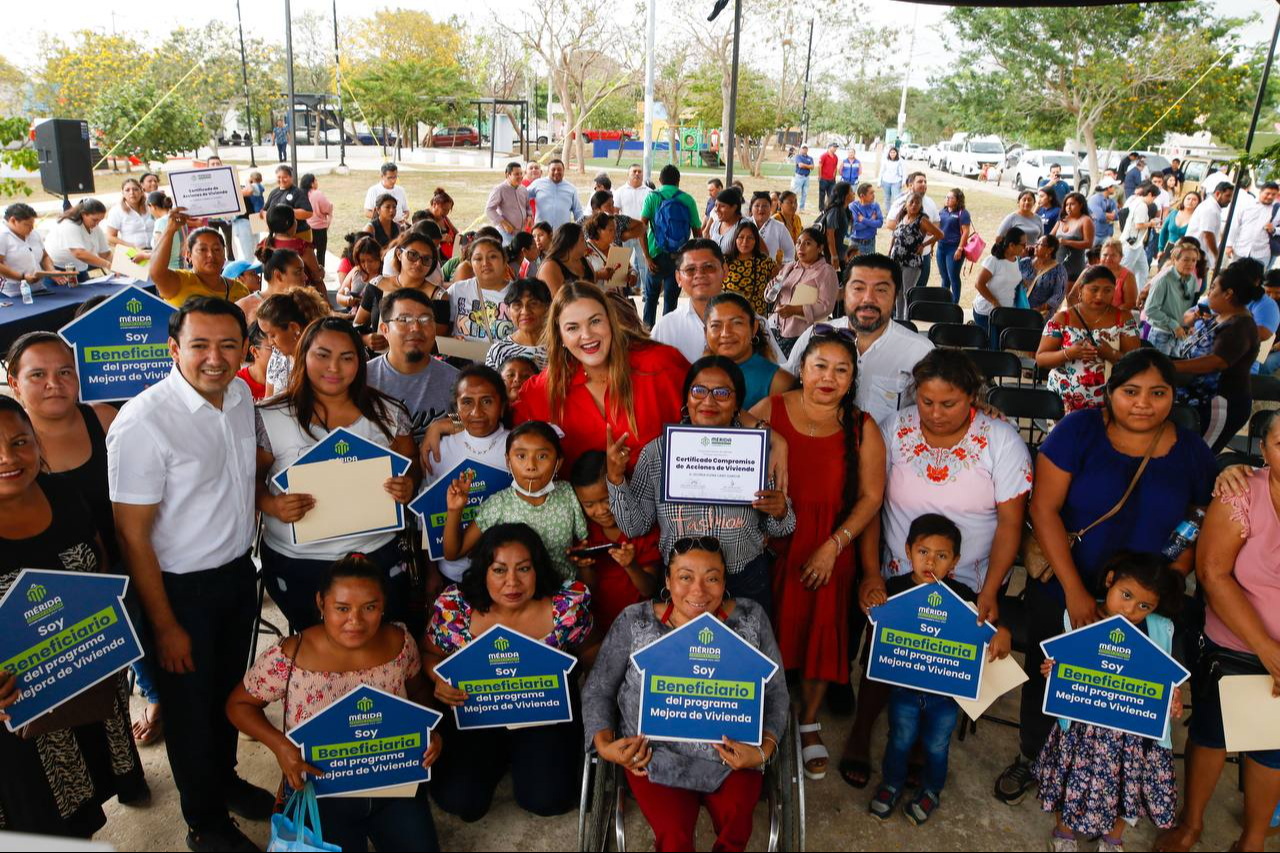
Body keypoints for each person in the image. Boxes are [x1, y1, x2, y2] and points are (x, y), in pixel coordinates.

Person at [995, 349, 1214, 807]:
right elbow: (1044, 509)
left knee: (1122, 687)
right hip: (1066, 582)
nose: (1143, 403)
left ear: (1173, 397)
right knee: (1049, 676)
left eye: (1158, 393)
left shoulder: (1192, 451)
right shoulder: (1079, 431)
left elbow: (1197, 519)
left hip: (1144, 601)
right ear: (1110, 393)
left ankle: (1106, 779)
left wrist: (1162, 588)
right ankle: (1033, 756)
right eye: (1131, 391)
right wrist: (1076, 594)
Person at [107, 298, 275, 850]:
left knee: (229, 695)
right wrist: (165, 624)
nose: (215, 358)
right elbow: (132, 535)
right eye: (199, 345)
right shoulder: (145, 421)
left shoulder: (242, 395)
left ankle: (222, 782)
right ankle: (203, 822)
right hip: (178, 593)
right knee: (188, 714)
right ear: (174, 350)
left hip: (235, 578)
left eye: (228, 345)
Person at [4, 331, 166, 747]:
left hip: (126, 557)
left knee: (143, 642)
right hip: (51, 594)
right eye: (37, 374)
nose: (53, 383)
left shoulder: (105, 418)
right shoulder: (11, 449)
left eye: (64, 371)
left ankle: (154, 697)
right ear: (14, 380)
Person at [0, 397, 149, 838]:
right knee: (38, 822)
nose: (8, 458)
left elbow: (99, 564)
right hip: (16, 719)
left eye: (19, 442)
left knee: (82, 810)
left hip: (84, 686)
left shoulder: (63, 494)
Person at [582, 538, 788, 853]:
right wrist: (605, 746)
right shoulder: (635, 621)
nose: (699, 591)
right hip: (654, 757)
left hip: (734, 755)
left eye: (712, 578)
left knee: (736, 828)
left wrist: (762, 751)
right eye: (686, 577)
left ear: (724, 581)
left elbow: (775, 693)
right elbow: (598, 688)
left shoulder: (750, 618)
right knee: (674, 837)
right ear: (667, 581)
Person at [227, 554, 443, 852]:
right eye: (342, 608)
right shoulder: (291, 656)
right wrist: (280, 747)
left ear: (383, 605)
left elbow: (419, 693)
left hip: (392, 783)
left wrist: (428, 731)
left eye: (370, 607)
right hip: (320, 792)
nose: (355, 620)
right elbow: (238, 705)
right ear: (321, 603)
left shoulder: (399, 642)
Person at [750, 329, 887, 780]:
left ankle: (808, 722)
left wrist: (834, 545)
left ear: (852, 378)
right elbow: (722, 423)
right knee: (765, 636)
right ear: (802, 369)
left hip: (831, 547)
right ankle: (761, 723)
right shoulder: (771, 410)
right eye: (819, 366)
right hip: (773, 545)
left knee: (819, 636)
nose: (828, 377)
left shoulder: (862, 426)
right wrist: (779, 440)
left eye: (841, 369)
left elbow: (870, 498)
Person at [1156, 412, 1280, 853]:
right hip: (1236, 646)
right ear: (1263, 450)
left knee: (1272, 749)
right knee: (1211, 735)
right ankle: (1191, 825)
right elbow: (1211, 573)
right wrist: (1268, 650)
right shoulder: (1242, 490)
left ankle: (1252, 840)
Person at [255, 317, 418, 632]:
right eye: (323, 355)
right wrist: (271, 505)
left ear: (360, 361)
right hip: (299, 561)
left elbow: (410, 459)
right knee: (314, 653)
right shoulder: (270, 416)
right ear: (303, 356)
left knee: (376, 646)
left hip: (375, 555)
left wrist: (409, 482)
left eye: (347, 357)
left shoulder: (388, 412)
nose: (334, 367)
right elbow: (247, 480)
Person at [425, 523, 590, 821]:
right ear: (483, 571)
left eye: (523, 569)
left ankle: (524, 759)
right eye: (499, 570)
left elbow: (592, 649)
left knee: (547, 800)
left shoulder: (564, 608)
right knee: (460, 801)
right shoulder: (457, 608)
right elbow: (428, 653)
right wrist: (437, 678)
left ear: (537, 569)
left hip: (543, 715)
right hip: (476, 714)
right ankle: (499, 758)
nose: (512, 582)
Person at [606, 355, 794, 609]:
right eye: (698, 391)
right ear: (686, 399)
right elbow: (634, 526)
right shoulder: (658, 453)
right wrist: (616, 478)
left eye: (722, 393)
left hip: (743, 581)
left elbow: (781, 528)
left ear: (738, 402)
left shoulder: (756, 450)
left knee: (741, 649)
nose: (708, 401)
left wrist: (780, 511)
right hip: (680, 584)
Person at [1033, 554, 1185, 851]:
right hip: (1082, 730)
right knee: (1072, 781)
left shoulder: (1159, 630)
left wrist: (1173, 699)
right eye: (1125, 596)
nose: (1131, 610)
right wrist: (1052, 670)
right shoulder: (1080, 617)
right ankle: (1064, 833)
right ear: (1110, 580)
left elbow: (1165, 679)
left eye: (1144, 606)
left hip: (1132, 736)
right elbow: (1063, 664)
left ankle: (1113, 839)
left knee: (1126, 788)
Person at [866, 514, 1010, 825]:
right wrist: (873, 602)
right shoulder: (893, 589)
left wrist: (1002, 631)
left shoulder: (964, 597)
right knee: (900, 738)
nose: (931, 561)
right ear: (908, 551)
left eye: (941, 555)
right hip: (903, 689)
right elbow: (875, 618)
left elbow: (989, 625)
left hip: (946, 695)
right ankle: (891, 784)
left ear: (955, 561)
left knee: (936, 745)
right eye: (923, 552)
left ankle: (931, 791)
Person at [508, 282, 688, 472]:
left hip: (660, 499)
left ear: (610, 321)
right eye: (572, 328)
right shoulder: (540, 392)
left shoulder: (659, 365)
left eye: (595, 321)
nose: (587, 335)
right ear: (559, 335)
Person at [784, 253, 935, 426]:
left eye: (881, 290)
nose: (868, 299)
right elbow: (786, 382)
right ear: (842, 292)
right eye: (858, 288)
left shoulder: (919, 352)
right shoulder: (815, 335)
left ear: (896, 297)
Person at [442, 420, 587, 580]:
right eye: (521, 456)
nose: (531, 465)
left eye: (542, 456)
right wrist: (455, 510)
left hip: (562, 596)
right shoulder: (499, 504)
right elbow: (453, 553)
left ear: (558, 463)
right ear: (508, 461)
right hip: (515, 597)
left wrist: (581, 557)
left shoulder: (567, 493)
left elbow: (584, 544)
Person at [423, 365, 511, 586]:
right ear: (456, 408)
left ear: (502, 406)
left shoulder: (518, 447)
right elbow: (427, 514)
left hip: (507, 574)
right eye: (467, 402)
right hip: (453, 573)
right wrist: (431, 572)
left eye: (487, 401)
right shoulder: (439, 449)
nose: (477, 412)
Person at [567, 450, 661, 632]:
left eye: (606, 499)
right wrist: (584, 566)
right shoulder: (585, 532)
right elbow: (589, 588)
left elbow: (648, 589)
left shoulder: (642, 529)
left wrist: (631, 565)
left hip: (640, 626)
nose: (601, 510)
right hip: (600, 625)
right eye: (589, 505)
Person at [1171, 264, 1262, 453]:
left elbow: (1217, 361)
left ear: (1228, 294)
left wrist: (1172, 366)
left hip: (1221, 405)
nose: (1209, 292)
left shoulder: (1240, 326)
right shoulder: (1221, 316)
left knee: (1199, 455)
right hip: (1198, 400)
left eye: (1213, 288)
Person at [1038, 265, 1141, 413]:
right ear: (1080, 290)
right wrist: (1069, 353)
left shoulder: (1124, 319)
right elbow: (1041, 359)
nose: (1100, 296)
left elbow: (1136, 364)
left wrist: (1110, 354)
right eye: (1094, 289)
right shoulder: (1062, 319)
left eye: (1107, 290)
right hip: (1064, 403)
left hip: (1109, 405)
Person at [367, 288, 459, 443]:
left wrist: (446, 425)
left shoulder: (456, 382)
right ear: (385, 330)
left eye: (425, 320)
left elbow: (464, 421)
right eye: (404, 320)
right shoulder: (363, 379)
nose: (416, 328)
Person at [356, 233, 449, 348]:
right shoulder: (377, 285)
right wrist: (365, 339)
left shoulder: (438, 297)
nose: (418, 263)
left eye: (426, 259)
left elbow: (437, 341)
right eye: (412, 255)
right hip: (378, 358)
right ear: (399, 254)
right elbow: (357, 324)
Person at [149, 211, 251, 307]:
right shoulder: (179, 283)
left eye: (216, 249)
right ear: (188, 255)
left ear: (224, 254)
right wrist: (170, 229)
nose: (210, 255)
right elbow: (157, 273)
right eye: (202, 249)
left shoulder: (240, 290)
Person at [770, 228, 840, 356]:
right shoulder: (790, 267)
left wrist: (794, 310)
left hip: (802, 335)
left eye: (807, 243)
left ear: (819, 248)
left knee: (793, 374)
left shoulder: (826, 272)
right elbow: (771, 290)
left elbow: (826, 306)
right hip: (775, 329)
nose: (801, 247)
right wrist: (772, 290)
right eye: (798, 242)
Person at [256, 287, 331, 397]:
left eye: (272, 335)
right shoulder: (277, 357)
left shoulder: (320, 361)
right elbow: (268, 399)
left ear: (294, 328)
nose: (270, 342)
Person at [1142, 241, 1202, 355]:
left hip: (1180, 335)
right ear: (1174, 260)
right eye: (1186, 259)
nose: (1190, 264)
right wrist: (1173, 324)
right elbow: (1150, 309)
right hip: (1161, 334)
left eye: (1194, 260)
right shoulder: (1164, 280)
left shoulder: (1193, 280)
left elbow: (1191, 307)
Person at [0, 202, 72, 296]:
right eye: (27, 225)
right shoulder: (3, 236)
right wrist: (22, 277)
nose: (31, 228)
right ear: (13, 221)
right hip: (12, 292)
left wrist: (51, 271)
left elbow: (45, 256)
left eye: (32, 224)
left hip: (38, 287)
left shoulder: (34, 234)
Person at [888, 192, 944, 315]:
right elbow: (894, 236)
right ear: (906, 204)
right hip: (897, 260)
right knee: (898, 292)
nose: (914, 205)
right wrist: (889, 252)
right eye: (911, 202)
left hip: (912, 261)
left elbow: (940, 234)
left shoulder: (922, 220)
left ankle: (907, 322)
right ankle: (899, 320)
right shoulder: (902, 217)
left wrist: (924, 245)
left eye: (917, 203)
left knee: (907, 293)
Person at [973, 227, 1029, 347]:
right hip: (987, 313)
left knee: (999, 347)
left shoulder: (1017, 260)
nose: (1026, 247)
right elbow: (979, 284)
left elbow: (1009, 277)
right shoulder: (993, 261)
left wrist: (1020, 282)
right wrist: (994, 302)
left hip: (1004, 314)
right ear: (1011, 245)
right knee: (990, 348)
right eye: (1023, 244)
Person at [485, 277, 552, 371]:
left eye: (533, 304)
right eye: (517, 305)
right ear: (508, 311)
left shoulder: (560, 347)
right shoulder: (499, 351)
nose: (525, 311)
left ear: (547, 307)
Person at [46, 198, 110, 281]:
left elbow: (106, 254)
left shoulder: (95, 228)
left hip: (80, 269)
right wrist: (107, 264)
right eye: (95, 220)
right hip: (58, 271)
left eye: (100, 220)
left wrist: (122, 266)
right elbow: (79, 253)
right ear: (83, 214)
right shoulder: (68, 225)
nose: (97, 223)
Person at [723, 220, 777, 317]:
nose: (745, 242)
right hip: (728, 315)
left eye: (750, 238)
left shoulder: (765, 262)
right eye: (741, 237)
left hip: (756, 318)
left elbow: (778, 283)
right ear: (735, 239)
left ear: (756, 240)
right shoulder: (724, 261)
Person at [1227, 180, 1280, 265]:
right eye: (1267, 193)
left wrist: (1274, 230)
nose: (1270, 196)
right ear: (1260, 192)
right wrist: (1229, 245)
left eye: (1273, 194)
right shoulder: (1247, 204)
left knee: (1256, 278)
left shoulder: (1277, 210)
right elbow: (1235, 225)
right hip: (1240, 250)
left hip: (1261, 254)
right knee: (1236, 276)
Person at [1119, 181, 1157, 295]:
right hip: (1132, 244)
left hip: (1137, 243)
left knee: (1143, 269)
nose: (1153, 201)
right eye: (1154, 198)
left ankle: (1138, 295)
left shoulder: (1134, 200)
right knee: (1123, 270)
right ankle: (1116, 294)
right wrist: (1150, 224)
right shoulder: (1142, 206)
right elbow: (1138, 225)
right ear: (1150, 194)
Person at [537, 222, 595, 296]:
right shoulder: (550, 267)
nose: (585, 244)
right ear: (571, 243)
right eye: (582, 239)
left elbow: (594, 289)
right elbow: (558, 302)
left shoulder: (584, 261)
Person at [936, 189, 972, 303]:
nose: (947, 199)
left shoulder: (963, 213)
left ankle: (954, 303)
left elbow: (966, 232)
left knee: (953, 277)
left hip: (954, 249)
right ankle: (944, 301)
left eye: (951, 198)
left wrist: (960, 249)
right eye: (946, 197)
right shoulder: (942, 211)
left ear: (958, 200)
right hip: (941, 247)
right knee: (944, 277)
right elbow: (937, 229)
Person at [1188, 182, 1234, 271]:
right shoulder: (1210, 209)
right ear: (1217, 194)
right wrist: (1216, 255)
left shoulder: (1212, 207)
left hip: (1199, 255)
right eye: (1227, 196)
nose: (1229, 200)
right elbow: (1208, 234)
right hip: (1198, 255)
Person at [1020, 234, 1068, 318]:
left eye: (1040, 244)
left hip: (1040, 316)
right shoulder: (1024, 262)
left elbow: (1059, 295)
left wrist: (1039, 309)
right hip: (1017, 309)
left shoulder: (1059, 270)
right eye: (1036, 243)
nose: (1035, 246)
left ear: (1050, 249)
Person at [262, 165, 313, 243]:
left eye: (284, 177)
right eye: (279, 177)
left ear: (291, 177)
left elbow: (309, 212)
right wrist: (269, 222)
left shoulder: (297, 192)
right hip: (279, 236)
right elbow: (265, 210)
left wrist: (285, 212)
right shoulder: (274, 192)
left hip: (299, 233)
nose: (281, 180)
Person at [104, 178, 153, 258]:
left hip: (154, 252)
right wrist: (130, 246)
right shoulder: (116, 211)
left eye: (135, 189)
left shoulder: (151, 207)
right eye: (127, 190)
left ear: (141, 191)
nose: (132, 193)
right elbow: (110, 237)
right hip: (132, 253)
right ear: (122, 193)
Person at [527, 159, 582, 230]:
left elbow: (578, 212)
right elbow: (522, 197)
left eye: (559, 170)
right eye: (553, 169)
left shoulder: (571, 189)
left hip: (562, 233)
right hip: (541, 233)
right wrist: (529, 214)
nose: (556, 172)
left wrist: (582, 229)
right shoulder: (538, 184)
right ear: (548, 171)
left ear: (563, 171)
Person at [486, 161, 532, 246]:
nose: (520, 177)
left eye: (521, 174)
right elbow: (489, 209)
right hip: (506, 233)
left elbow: (527, 206)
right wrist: (504, 223)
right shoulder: (500, 189)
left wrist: (529, 216)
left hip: (521, 232)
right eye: (516, 174)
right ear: (508, 175)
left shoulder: (523, 189)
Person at [1053, 192, 1094, 282]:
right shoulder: (1062, 219)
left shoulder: (1085, 220)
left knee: (1068, 295)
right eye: (1066, 204)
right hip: (1056, 265)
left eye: (1072, 204)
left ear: (1081, 205)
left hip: (1074, 268)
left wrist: (1067, 242)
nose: (1068, 207)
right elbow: (1050, 237)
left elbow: (1089, 243)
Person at [817, 181, 855, 278]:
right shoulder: (835, 210)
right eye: (851, 191)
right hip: (832, 256)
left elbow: (846, 234)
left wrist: (845, 253)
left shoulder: (847, 211)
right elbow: (830, 234)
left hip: (841, 255)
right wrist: (834, 256)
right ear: (844, 195)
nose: (854, 193)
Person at [337, 234, 383, 312]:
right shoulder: (356, 271)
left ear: (379, 258)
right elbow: (339, 295)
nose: (366, 265)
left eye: (370, 261)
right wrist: (348, 300)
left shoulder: (384, 275)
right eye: (362, 261)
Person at [300, 173, 332, 269]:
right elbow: (327, 208)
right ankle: (319, 272)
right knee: (320, 252)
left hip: (305, 228)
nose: (317, 182)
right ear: (312, 183)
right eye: (316, 180)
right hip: (319, 228)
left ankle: (307, 270)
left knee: (306, 252)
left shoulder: (300, 194)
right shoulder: (317, 194)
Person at [704, 186, 746, 254]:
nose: (717, 210)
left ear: (734, 207)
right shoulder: (716, 224)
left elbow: (763, 252)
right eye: (716, 205)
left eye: (722, 206)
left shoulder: (745, 226)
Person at [1158, 191, 1200, 259]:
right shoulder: (1173, 213)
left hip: (1185, 251)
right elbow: (1163, 231)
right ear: (1184, 200)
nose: (1190, 201)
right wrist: (1160, 249)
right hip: (1169, 248)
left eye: (1194, 199)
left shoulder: (1197, 219)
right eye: (1188, 199)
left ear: (1198, 203)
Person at [237, 322, 271, 400]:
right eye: (273, 348)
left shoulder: (288, 382)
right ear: (254, 351)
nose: (279, 354)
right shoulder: (238, 382)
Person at [425, 187, 460, 262]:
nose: (446, 213)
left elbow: (457, 234)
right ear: (434, 204)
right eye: (444, 209)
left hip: (452, 257)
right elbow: (420, 239)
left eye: (448, 210)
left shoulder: (444, 218)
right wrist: (441, 238)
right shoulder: (424, 217)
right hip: (436, 261)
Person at [849, 183, 884, 257]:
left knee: (870, 267)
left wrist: (864, 220)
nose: (873, 195)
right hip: (856, 244)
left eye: (873, 192)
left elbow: (880, 223)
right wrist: (872, 220)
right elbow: (855, 226)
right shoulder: (853, 206)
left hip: (870, 243)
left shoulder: (875, 205)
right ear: (862, 196)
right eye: (871, 193)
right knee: (855, 267)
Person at [1087, 178, 1120, 247]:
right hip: (1094, 235)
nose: (1114, 188)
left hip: (1107, 234)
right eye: (1113, 186)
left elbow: (1116, 216)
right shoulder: (1094, 199)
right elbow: (1100, 217)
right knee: (1089, 256)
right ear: (1108, 188)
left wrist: (1106, 215)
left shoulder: (1111, 200)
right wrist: (1109, 216)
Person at [879, 146, 905, 212]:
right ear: (889, 153)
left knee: (897, 198)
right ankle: (888, 213)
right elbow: (881, 171)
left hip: (897, 181)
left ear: (896, 153)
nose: (892, 154)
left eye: (894, 152)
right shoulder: (885, 160)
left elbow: (904, 171)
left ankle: (896, 212)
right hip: (886, 181)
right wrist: (879, 182)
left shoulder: (900, 160)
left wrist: (903, 181)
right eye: (891, 152)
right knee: (887, 198)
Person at [817, 142, 840, 210]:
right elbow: (820, 166)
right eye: (834, 147)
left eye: (836, 147)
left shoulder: (836, 157)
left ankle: (829, 207)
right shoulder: (824, 156)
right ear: (829, 147)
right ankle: (821, 208)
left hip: (832, 179)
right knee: (822, 194)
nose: (835, 149)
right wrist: (820, 176)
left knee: (832, 194)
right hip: (824, 178)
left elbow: (835, 167)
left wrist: (834, 176)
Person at [793, 143, 815, 210]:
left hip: (806, 177)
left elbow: (812, 167)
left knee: (804, 193)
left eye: (806, 148)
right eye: (803, 148)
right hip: (799, 176)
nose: (804, 149)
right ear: (801, 149)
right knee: (795, 192)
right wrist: (808, 166)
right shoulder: (798, 157)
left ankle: (801, 208)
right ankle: (793, 206)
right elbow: (800, 165)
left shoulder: (810, 158)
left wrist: (805, 165)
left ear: (807, 149)